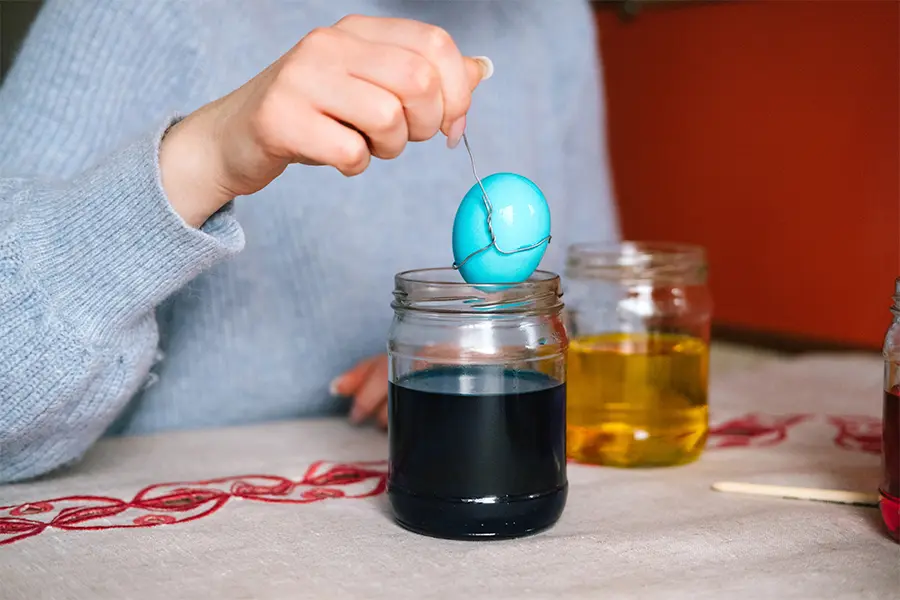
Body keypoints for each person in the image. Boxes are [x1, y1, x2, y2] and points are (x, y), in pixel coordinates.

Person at [0, 1, 620, 483]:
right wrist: (207, 153)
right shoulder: (139, 13)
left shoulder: (552, 17)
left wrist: (495, 346)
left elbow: (595, 308)